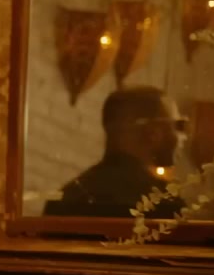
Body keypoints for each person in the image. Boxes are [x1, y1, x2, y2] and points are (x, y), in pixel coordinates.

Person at [43, 86, 187, 219]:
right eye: (179, 125)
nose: (184, 137)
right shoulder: (165, 203)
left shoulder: (65, 199)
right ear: (153, 132)